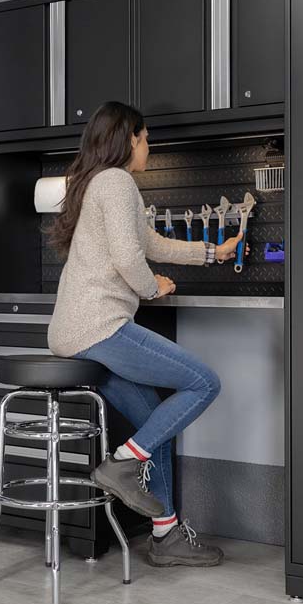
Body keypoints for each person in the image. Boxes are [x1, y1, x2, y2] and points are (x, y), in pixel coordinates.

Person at [47, 101, 245, 567]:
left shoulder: (100, 184)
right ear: (129, 138)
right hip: (100, 327)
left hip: (76, 330)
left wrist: (214, 253)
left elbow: (150, 244)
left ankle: (166, 534)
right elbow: (128, 259)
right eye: (147, 138)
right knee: (203, 382)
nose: (149, 147)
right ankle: (120, 463)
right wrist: (149, 286)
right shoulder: (115, 182)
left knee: (154, 421)